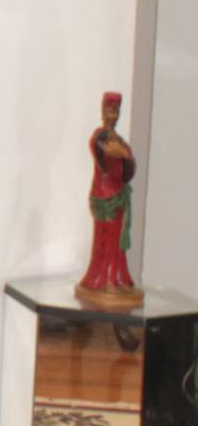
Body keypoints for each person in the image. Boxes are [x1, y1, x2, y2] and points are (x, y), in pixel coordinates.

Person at [77, 91, 139, 305]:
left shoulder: (118, 139)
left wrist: (125, 155)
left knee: (117, 242)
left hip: (118, 195)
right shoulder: (100, 137)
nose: (114, 113)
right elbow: (111, 152)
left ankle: (117, 277)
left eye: (117, 109)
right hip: (105, 196)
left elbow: (128, 158)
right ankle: (102, 277)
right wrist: (123, 154)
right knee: (105, 239)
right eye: (110, 108)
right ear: (103, 110)